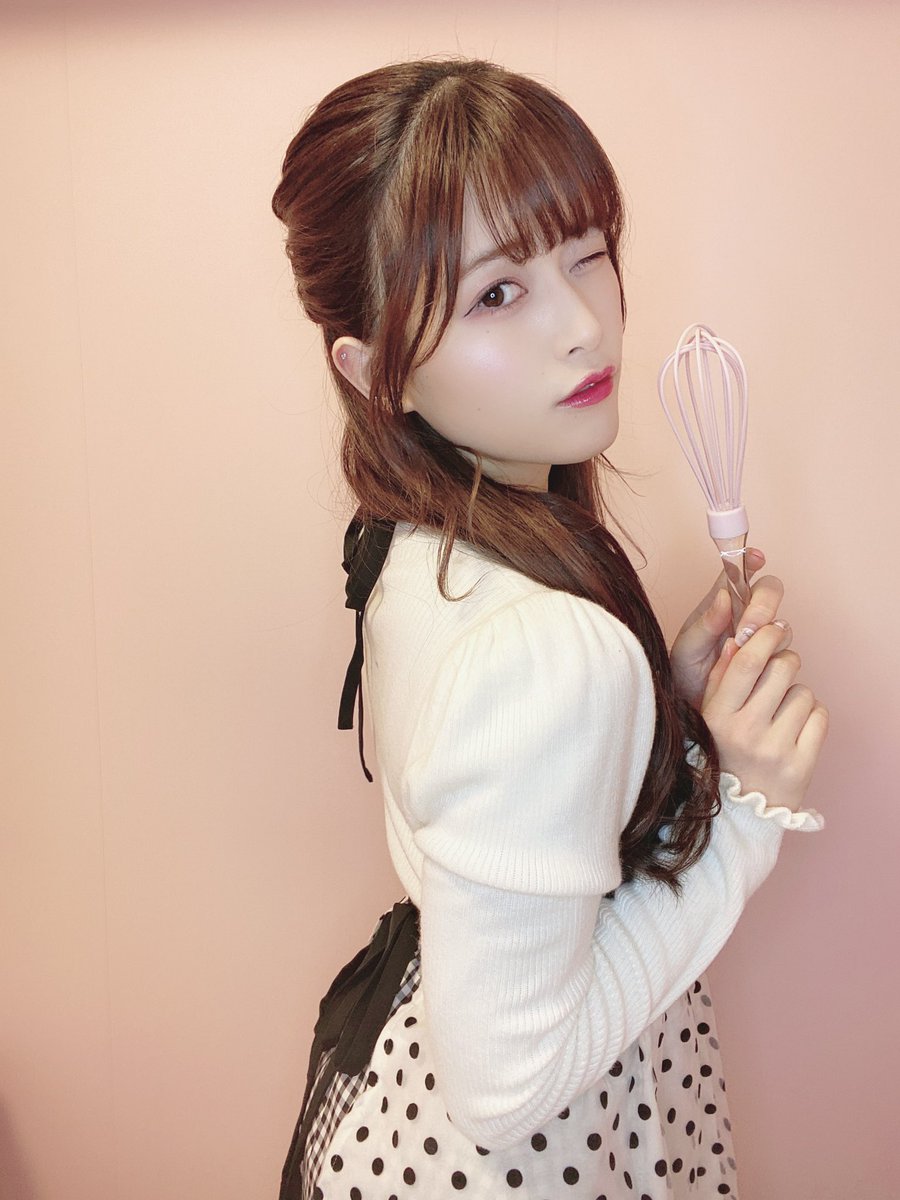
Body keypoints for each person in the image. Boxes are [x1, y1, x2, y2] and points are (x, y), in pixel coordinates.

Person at [270, 57, 828, 1200]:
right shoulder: (545, 651)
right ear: (374, 373)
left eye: (587, 252)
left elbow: (494, 792)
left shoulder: (417, 539)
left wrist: (663, 705)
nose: (584, 323)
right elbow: (512, 1086)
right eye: (496, 294)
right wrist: (749, 811)